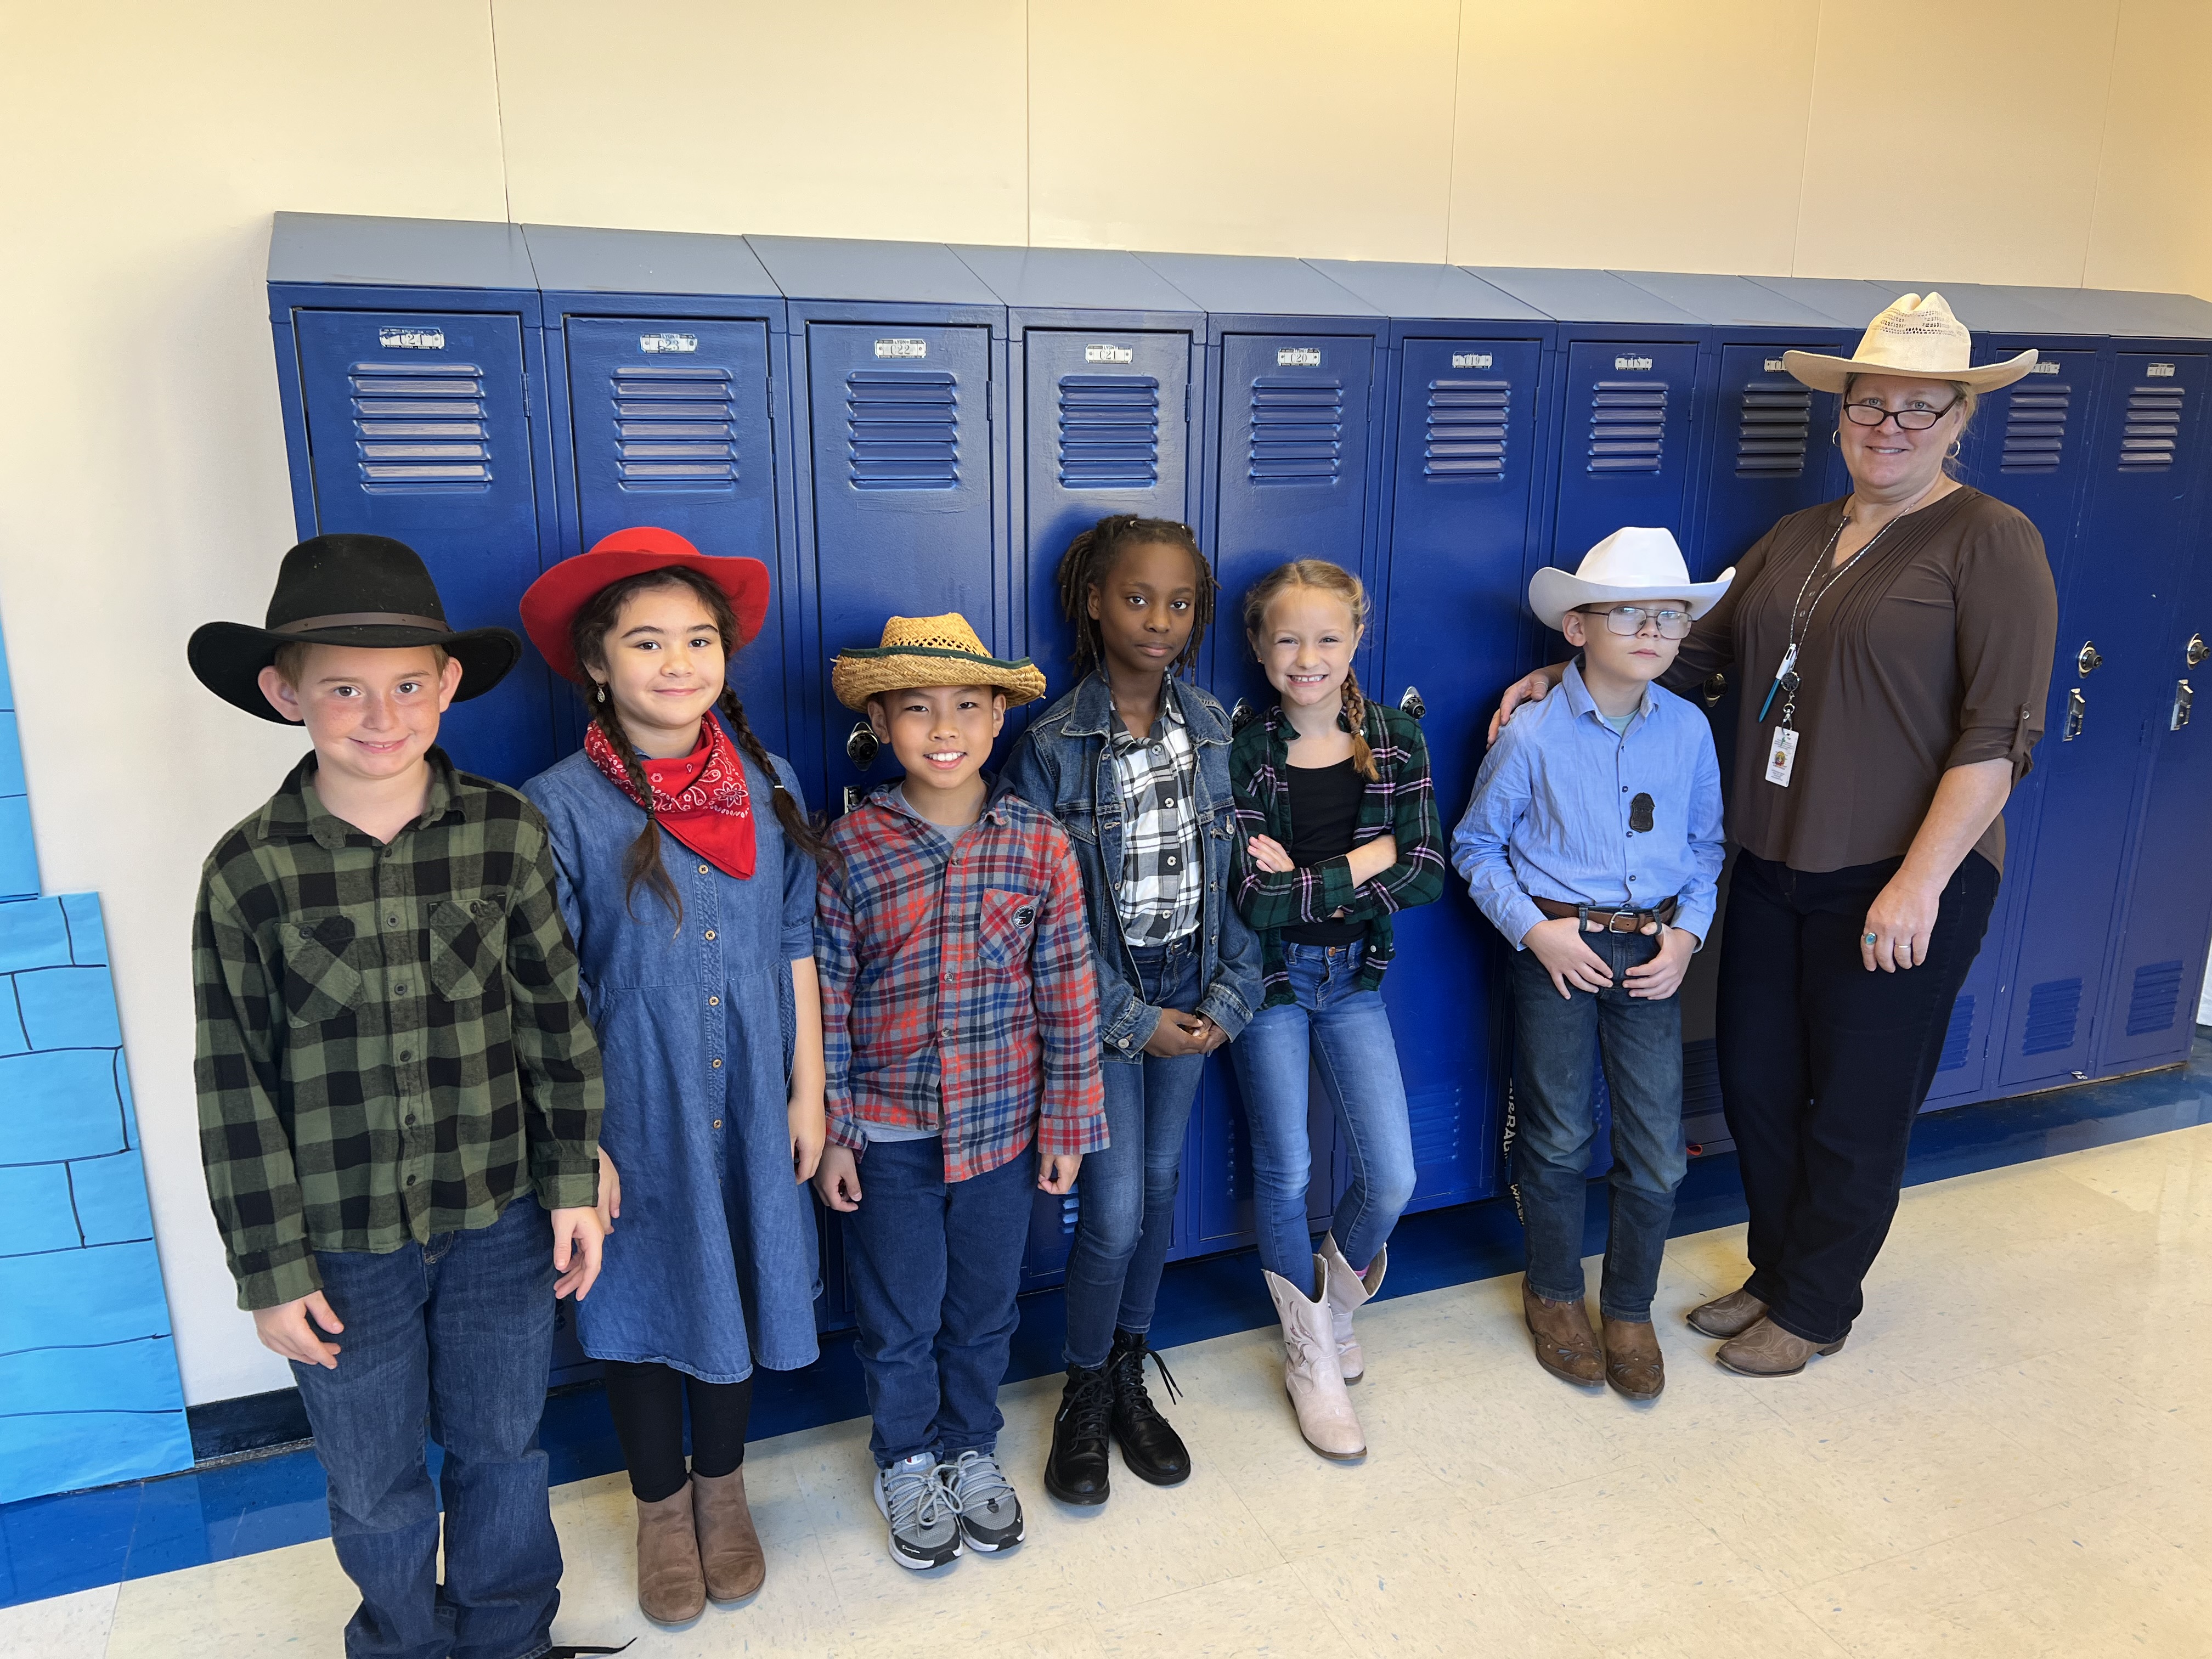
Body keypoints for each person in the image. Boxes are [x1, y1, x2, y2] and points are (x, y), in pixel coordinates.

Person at [1491, 293, 2057, 1377]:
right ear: (1841, 415)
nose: (1889, 427)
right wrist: (1565, 683)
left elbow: (1999, 737)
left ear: (1957, 421)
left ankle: (1818, 1303)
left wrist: (1919, 884)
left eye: (1917, 410)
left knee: (1855, 1105)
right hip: (1773, 866)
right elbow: (1688, 660)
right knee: (1756, 1080)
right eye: (1869, 405)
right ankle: (1776, 1267)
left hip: (1899, 878)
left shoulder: (1991, 540)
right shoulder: (1798, 539)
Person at [188, 534, 621, 1659]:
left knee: (503, 1452)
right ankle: (400, 1645)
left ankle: (510, 1640)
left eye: (407, 685)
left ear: (450, 684)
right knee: (376, 1485)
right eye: (343, 688)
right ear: (286, 694)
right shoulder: (251, 869)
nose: (379, 716)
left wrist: (572, 1179)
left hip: (498, 1222)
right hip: (340, 1251)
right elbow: (232, 1081)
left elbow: (553, 1019)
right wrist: (270, 1273)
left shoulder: (504, 833)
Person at [517, 529, 834, 1623]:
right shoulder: (555, 804)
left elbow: (796, 941)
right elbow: (547, 986)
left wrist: (809, 1091)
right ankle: (660, 1508)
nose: (678, 662)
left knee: (737, 1279)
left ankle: (722, 1492)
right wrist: (578, 1141)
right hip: (631, 1100)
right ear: (597, 665)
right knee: (647, 1296)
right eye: (646, 642)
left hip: (751, 1088)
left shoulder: (769, 780)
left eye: (699, 639)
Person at [811, 613, 1105, 1570]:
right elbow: (828, 1001)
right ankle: (904, 1457)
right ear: (882, 724)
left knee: (984, 1309)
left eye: (968, 707)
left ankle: (969, 1448)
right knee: (899, 1316)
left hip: (1003, 1135)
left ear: (997, 721)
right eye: (919, 710)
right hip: (889, 1138)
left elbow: (1068, 995)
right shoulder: (849, 849)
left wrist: (1068, 1123)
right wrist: (839, 1133)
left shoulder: (1041, 846)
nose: (945, 728)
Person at [1001, 514, 1262, 1507]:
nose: (1159, 619)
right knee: (1109, 1212)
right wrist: (1128, 1017)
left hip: (1193, 993)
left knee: (1156, 1191)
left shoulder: (1212, 726)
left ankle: (1128, 1370)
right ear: (1094, 604)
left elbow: (1240, 879)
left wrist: (1230, 999)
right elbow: (1040, 918)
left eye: (1181, 602)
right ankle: (1081, 1387)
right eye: (1136, 597)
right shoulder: (1052, 747)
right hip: (1098, 1003)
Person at [1453, 528, 1728, 1400]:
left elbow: (1707, 846)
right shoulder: (1532, 735)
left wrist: (1687, 937)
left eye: (1670, 619)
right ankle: (1557, 1292)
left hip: (1654, 950)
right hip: (1558, 951)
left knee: (1658, 1154)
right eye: (1629, 616)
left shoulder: (1688, 730)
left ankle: (1631, 1306)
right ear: (1577, 628)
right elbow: (1475, 847)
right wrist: (1537, 934)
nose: (1653, 632)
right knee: (1560, 1135)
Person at [1228, 560, 1446, 1459]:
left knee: (1391, 1176)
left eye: (1327, 637)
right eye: (1288, 638)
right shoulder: (1242, 747)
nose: (1307, 656)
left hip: (1355, 979)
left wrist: (1310, 881)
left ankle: (1335, 1299)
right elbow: (1253, 903)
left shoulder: (1396, 738)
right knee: (1284, 1173)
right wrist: (1363, 865)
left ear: (1357, 639)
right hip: (1271, 984)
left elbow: (1429, 871)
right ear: (1260, 647)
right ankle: (1309, 1349)